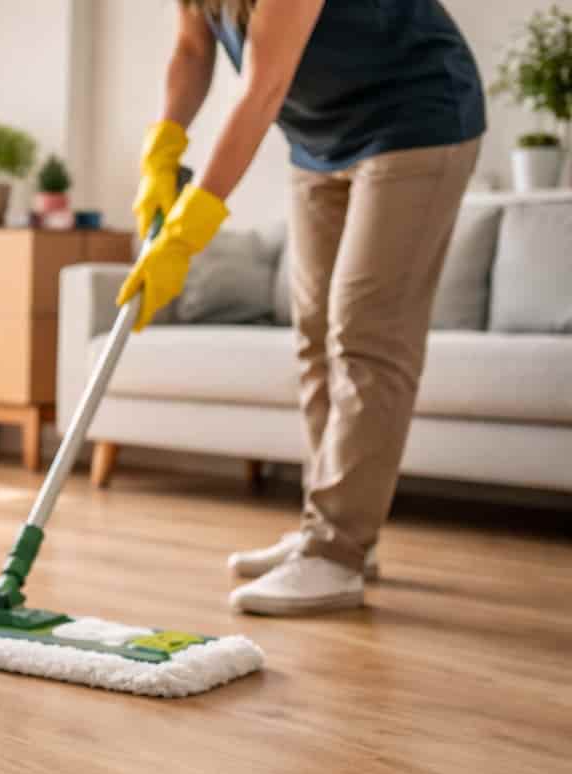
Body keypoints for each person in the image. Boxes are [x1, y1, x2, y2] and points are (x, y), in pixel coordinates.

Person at [118, 0, 485, 615]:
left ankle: (336, 552)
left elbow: (263, 89)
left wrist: (189, 230)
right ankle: (334, 532)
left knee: (366, 335)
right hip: (319, 141)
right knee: (312, 333)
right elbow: (191, 49)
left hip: (416, 119)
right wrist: (164, 144)